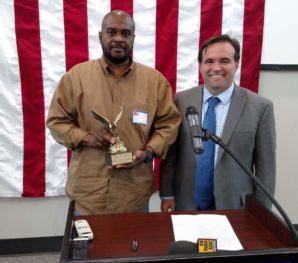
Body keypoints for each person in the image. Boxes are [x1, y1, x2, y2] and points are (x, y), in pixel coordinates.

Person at [47, 10, 181, 215]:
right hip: (88, 194)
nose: (119, 38)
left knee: (133, 246)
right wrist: (87, 138)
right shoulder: (76, 77)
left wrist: (147, 153)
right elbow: (57, 121)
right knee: (87, 247)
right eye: (112, 32)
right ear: (101, 36)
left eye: (125, 33)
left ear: (133, 38)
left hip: (133, 194)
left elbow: (169, 125)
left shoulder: (155, 82)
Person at [159, 34, 276, 212]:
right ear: (200, 66)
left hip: (236, 206)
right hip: (187, 203)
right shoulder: (182, 100)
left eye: (224, 61)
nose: (216, 67)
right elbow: (172, 154)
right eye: (209, 61)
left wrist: (262, 211)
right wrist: (167, 194)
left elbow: (265, 168)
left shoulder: (260, 107)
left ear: (236, 64)